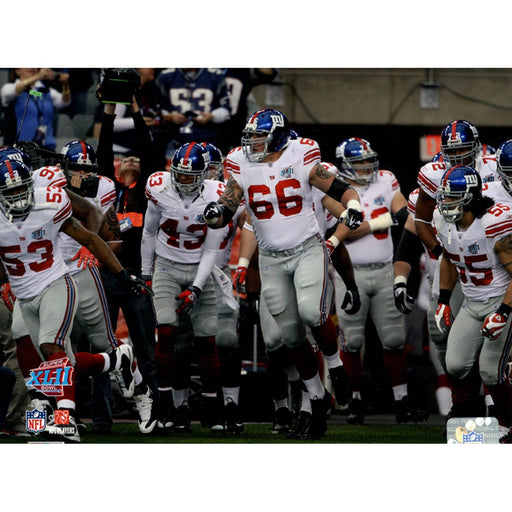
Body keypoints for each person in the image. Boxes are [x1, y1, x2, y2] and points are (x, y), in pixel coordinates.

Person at [203, 108, 364, 440]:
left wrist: (354, 204)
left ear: (277, 136)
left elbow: (337, 187)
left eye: (259, 137)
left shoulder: (302, 153)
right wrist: (218, 213)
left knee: (311, 311)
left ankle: (335, 365)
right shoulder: (241, 162)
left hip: (307, 247)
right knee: (289, 336)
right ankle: (317, 396)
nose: (253, 144)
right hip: (271, 258)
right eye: (251, 138)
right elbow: (231, 200)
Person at [0, 158, 147, 442]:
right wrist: (5, 281)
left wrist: (120, 273)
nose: (17, 199)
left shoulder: (49, 205)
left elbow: (90, 238)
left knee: (50, 346)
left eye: (21, 190)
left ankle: (65, 421)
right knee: (50, 362)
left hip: (56, 282)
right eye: (9, 193)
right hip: (24, 292)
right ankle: (114, 359)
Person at [333, 137, 428, 424]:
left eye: (367, 159)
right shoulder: (336, 186)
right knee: (352, 341)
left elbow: (402, 211)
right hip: (350, 274)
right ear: (345, 164)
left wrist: (405, 214)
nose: (365, 166)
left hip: (385, 269)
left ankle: (401, 401)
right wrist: (381, 221)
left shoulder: (385, 179)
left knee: (394, 339)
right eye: (359, 161)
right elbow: (345, 231)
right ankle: (354, 402)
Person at [141, 142, 231, 433]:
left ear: (205, 174)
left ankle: (212, 408)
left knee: (206, 339)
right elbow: (149, 231)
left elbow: (211, 251)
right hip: (166, 266)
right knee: (166, 330)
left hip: (200, 268)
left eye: (190, 176)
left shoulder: (218, 195)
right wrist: (146, 274)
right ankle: (166, 404)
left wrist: (196, 287)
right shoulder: (158, 187)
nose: (183, 181)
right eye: (178, 174)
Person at [414, 120, 500, 417]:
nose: (459, 156)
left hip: (497, 270)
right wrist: (443, 253)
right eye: (454, 151)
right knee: (448, 342)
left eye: (465, 150)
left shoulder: (494, 170)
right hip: (461, 266)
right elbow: (420, 222)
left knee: (495, 354)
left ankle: (498, 411)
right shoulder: (434, 175)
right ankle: (465, 402)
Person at [432, 165, 512, 441]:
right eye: (444, 196)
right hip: (472, 302)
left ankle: (506, 423)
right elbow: (448, 257)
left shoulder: (493, 224)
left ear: (470, 197)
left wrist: (503, 311)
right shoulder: (444, 224)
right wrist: (443, 300)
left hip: (501, 299)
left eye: (452, 197)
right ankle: (468, 418)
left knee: (491, 370)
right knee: (454, 364)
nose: (445, 203)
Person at [96, 92, 159, 402]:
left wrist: (135, 107)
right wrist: (109, 109)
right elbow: (104, 149)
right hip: (105, 277)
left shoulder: (147, 194)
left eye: (137, 159)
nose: (132, 159)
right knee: (101, 347)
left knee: (146, 349)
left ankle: (156, 408)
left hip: (135, 278)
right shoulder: (107, 189)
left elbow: (147, 147)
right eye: (127, 158)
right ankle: (102, 415)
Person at [392, 187, 452, 416]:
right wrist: (400, 283)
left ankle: (499, 422)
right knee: (448, 366)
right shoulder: (420, 221)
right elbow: (407, 249)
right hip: (435, 301)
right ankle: (452, 418)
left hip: (473, 295)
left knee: (482, 366)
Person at [202, 142, 246, 434]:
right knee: (183, 343)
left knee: (228, 340)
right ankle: (182, 408)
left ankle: (230, 404)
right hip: (185, 272)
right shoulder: (173, 193)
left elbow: (252, 225)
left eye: (212, 165)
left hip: (219, 273)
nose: (208, 171)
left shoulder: (230, 195)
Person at [155, 68, 231, 159]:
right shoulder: (165, 76)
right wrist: (170, 117)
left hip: (207, 141)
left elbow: (226, 109)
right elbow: (157, 109)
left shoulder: (216, 75)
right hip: (174, 141)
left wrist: (211, 116)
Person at [0, 68, 71, 150]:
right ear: (17, 70)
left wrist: (65, 85)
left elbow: (64, 102)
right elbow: (10, 93)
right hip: (17, 148)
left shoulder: (43, 91)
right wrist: (38, 77)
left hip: (45, 149)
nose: (32, 67)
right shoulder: (9, 88)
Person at [218, 68, 279, 153]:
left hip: (237, 125)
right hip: (211, 126)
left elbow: (269, 73)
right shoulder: (207, 71)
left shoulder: (243, 71)